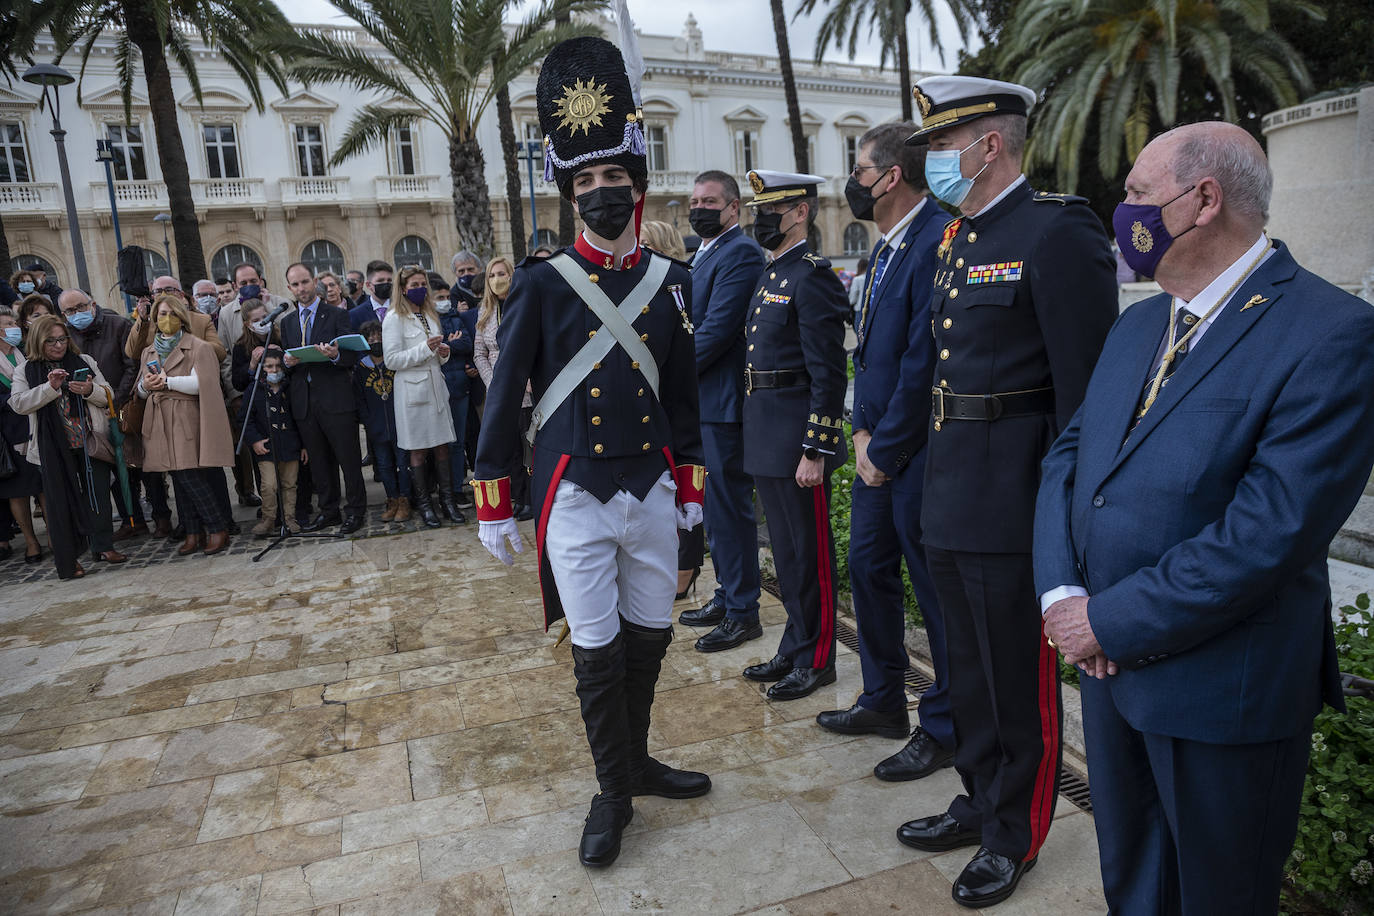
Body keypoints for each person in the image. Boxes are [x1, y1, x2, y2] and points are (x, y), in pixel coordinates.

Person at [1036, 122, 1374, 915]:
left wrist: (1106, 621)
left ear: (1204, 200)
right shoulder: (1138, 324)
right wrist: (1061, 596)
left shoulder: (1331, 332)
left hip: (1223, 692)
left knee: (1221, 897)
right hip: (1109, 676)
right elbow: (1068, 462)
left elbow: (1269, 533)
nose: (1121, 211)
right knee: (1134, 881)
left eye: (1136, 194)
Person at [473, 34, 710, 870]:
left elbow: (684, 404)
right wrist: (494, 495)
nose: (601, 192)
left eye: (614, 177)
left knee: (649, 641)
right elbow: (505, 395)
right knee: (597, 654)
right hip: (573, 493)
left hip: (652, 490)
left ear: (637, 187)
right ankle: (612, 793)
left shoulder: (674, 283)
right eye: (585, 183)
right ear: (569, 194)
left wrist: (692, 493)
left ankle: (636, 761)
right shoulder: (540, 283)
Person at [892, 76, 1119, 908]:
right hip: (951, 488)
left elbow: (1085, 394)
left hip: (1016, 496)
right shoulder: (959, 238)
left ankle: (1014, 832)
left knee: (1015, 680)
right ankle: (980, 798)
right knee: (966, 670)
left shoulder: (1057, 230)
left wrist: (1069, 521)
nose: (933, 160)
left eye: (943, 145)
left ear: (990, 145)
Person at [815, 122, 954, 779]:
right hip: (875, 449)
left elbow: (924, 362)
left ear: (891, 176)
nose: (853, 182)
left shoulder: (936, 242)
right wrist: (860, 435)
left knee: (933, 594)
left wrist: (884, 448)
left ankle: (946, 726)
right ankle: (882, 699)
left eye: (860, 170)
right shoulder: (888, 247)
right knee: (868, 570)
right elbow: (873, 356)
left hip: (913, 456)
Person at [737, 169, 849, 700]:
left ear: (800, 212)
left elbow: (828, 372)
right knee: (784, 555)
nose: (762, 220)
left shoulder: (811, 277)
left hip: (797, 441)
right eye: (758, 211)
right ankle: (795, 644)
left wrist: (816, 448)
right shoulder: (772, 274)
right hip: (766, 432)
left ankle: (818, 658)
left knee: (810, 556)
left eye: (771, 211)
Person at [675, 170, 769, 651]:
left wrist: (667, 375)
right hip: (703, 403)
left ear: (734, 207)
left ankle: (743, 611)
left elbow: (715, 331)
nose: (699, 209)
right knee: (713, 512)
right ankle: (727, 594)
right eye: (694, 202)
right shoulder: (705, 252)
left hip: (723, 404)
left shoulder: (741, 253)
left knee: (729, 511)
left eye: (709, 202)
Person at [10, 315, 125, 577]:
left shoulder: (84, 361)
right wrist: (50, 387)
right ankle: (70, 558)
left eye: (62, 339)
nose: (59, 345)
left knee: (98, 494)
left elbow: (108, 394)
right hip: (53, 448)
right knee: (61, 502)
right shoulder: (25, 369)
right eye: (51, 341)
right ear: (38, 341)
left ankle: (103, 546)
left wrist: (89, 390)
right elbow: (18, 404)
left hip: (89, 441)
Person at [135, 294, 236, 555]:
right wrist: (146, 385)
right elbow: (140, 390)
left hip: (186, 416)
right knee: (178, 478)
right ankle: (193, 531)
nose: (166, 319)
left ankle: (217, 528)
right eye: (162, 314)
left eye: (172, 314)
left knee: (189, 475)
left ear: (182, 317)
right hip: (159, 418)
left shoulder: (199, 347)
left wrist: (166, 382)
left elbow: (203, 383)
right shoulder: (149, 350)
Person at [639, 220, 706, 600]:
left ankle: (687, 566)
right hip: (648, 405)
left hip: (678, 402)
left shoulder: (679, 285)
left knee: (686, 487)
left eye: (647, 243)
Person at [280, 262, 366, 534]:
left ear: (314, 281)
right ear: (289, 287)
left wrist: (336, 355)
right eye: (295, 284)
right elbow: (286, 360)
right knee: (319, 462)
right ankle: (329, 511)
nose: (301, 288)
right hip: (304, 402)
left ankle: (355, 511)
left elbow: (351, 355)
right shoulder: (287, 322)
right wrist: (286, 362)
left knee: (348, 460)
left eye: (305, 282)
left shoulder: (336, 314)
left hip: (335, 398)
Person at [58, 289, 146, 539]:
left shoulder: (118, 325)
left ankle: (157, 515)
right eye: (70, 311)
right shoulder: (67, 334)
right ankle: (131, 520)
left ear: (93, 304)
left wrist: (115, 400)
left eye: (80, 307)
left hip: (122, 405)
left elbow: (131, 365)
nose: (77, 313)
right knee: (110, 465)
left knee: (135, 463)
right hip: (90, 411)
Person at [383, 265, 461, 527]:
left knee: (442, 447)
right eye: (414, 285)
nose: (419, 289)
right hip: (412, 391)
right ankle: (425, 506)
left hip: (435, 386)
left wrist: (443, 353)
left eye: (422, 284)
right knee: (418, 450)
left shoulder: (429, 314)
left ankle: (447, 502)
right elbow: (392, 360)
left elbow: (435, 354)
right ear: (403, 289)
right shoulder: (394, 317)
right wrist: (424, 349)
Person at [472, 256, 533, 521]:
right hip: (499, 391)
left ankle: (532, 499)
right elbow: (479, 353)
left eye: (501, 273)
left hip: (526, 390)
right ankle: (519, 498)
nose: (497, 279)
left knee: (528, 446)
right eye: (492, 275)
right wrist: (494, 383)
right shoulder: (485, 312)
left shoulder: (524, 304)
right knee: (510, 449)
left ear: (512, 275)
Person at [239, 347, 304, 537]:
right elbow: (244, 419)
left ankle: (289, 518)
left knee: (289, 484)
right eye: (269, 366)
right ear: (262, 368)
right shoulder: (254, 390)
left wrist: (303, 445)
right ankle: (268, 519)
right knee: (269, 485)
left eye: (277, 366)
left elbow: (300, 418)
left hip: (291, 445)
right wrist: (255, 441)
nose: (274, 370)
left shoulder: (290, 388)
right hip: (267, 448)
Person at [355, 320, 411, 523]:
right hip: (376, 427)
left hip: (400, 425)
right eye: (371, 338)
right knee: (384, 466)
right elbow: (359, 399)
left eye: (379, 337)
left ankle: (405, 500)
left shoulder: (394, 362)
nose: (375, 341)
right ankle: (392, 500)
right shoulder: (361, 368)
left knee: (403, 464)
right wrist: (368, 422)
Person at [0, 307, 44, 564]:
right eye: (8, 324)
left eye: (14, 323)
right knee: (18, 492)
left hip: (35, 426)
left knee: (43, 486)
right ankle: (31, 541)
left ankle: (56, 535)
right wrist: (15, 400)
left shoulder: (25, 353)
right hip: (8, 434)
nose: (14, 327)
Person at [433, 273, 477, 508]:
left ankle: (458, 487)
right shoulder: (427, 321)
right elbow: (427, 349)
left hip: (459, 386)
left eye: (446, 297)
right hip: (436, 388)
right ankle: (444, 490)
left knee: (458, 441)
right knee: (440, 444)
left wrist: (446, 344)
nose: (444, 301)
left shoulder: (455, 318)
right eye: (438, 297)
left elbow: (466, 343)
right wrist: (450, 343)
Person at [218, 262, 290, 356]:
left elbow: (290, 332)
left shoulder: (282, 302)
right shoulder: (226, 313)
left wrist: (269, 306)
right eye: (243, 283)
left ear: (260, 281)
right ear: (235, 286)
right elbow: (225, 351)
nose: (249, 285)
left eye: (253, 281)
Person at [349, 260, 394, 330]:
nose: (386, 284)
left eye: (389, 280)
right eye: (380, 281)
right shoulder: (355, 314)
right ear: (368, 285)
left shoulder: (401, 309)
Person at [847, 255, 868, 324]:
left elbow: (853, 299)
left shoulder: (857, 279)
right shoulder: (872, 278)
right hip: (870, 310)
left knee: (859, 329)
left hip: (859, 309)